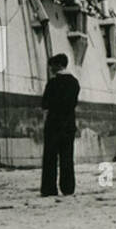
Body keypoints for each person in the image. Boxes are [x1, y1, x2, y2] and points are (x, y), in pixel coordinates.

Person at [40, 53, 80, 196]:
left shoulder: (52, 83)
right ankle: (68, 188)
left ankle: (49, 189)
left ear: (58, 65)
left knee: (50, 158)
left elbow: (45, 104)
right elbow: (73, 103)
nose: (50, 69)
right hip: (68, 125)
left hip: (53, 125)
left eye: (52, 66)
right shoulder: (74, 83)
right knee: (67, 157)